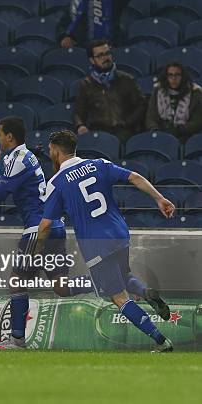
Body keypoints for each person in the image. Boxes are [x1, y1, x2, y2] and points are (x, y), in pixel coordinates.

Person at [36, 130, 174, 352]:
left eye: (50, 149)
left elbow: (45, 225)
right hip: (119, 233)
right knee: (124, 275)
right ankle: (147, 292)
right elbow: (135, 177)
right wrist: (159, 198)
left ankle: (161, 342)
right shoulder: (99, 164)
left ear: (55, 150)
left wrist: (36, 249)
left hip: (96, 244)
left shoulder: (57, 182)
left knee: (119, 298)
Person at [0, 117, 94, 349]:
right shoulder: (20, 156)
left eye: (0, 134)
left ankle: (17, 339)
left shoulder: (19, 158)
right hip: (53, 226)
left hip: (38, 229)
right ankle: (101, 281)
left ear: (9, 136)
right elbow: (5, 186)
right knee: (60, 287)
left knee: (17, 282)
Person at [74, 39, 146, 142]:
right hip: (97, 132)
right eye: (100, 56)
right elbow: (78, 112)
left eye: (107, 53)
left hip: (124, 132)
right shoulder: (86, 84)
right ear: (92, 60)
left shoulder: (127, 79)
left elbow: (141, 104)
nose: (105, 58)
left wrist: (127, 122)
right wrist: (80, 126)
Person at [146, 62, 202, 143]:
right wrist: (155, 129)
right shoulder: (158, 91)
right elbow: (151, 117)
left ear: (183, 76)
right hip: (161, 133)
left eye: (177, 75)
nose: (174, 78)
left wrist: (182, 129)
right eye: (170, 75)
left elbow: (198, 120)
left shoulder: (195, 93)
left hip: (185, 135)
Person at [57, 0, 131, 48]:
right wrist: (65, 37)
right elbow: (64, 24)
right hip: (79, 48)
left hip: (108, 48)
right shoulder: (77, 2)